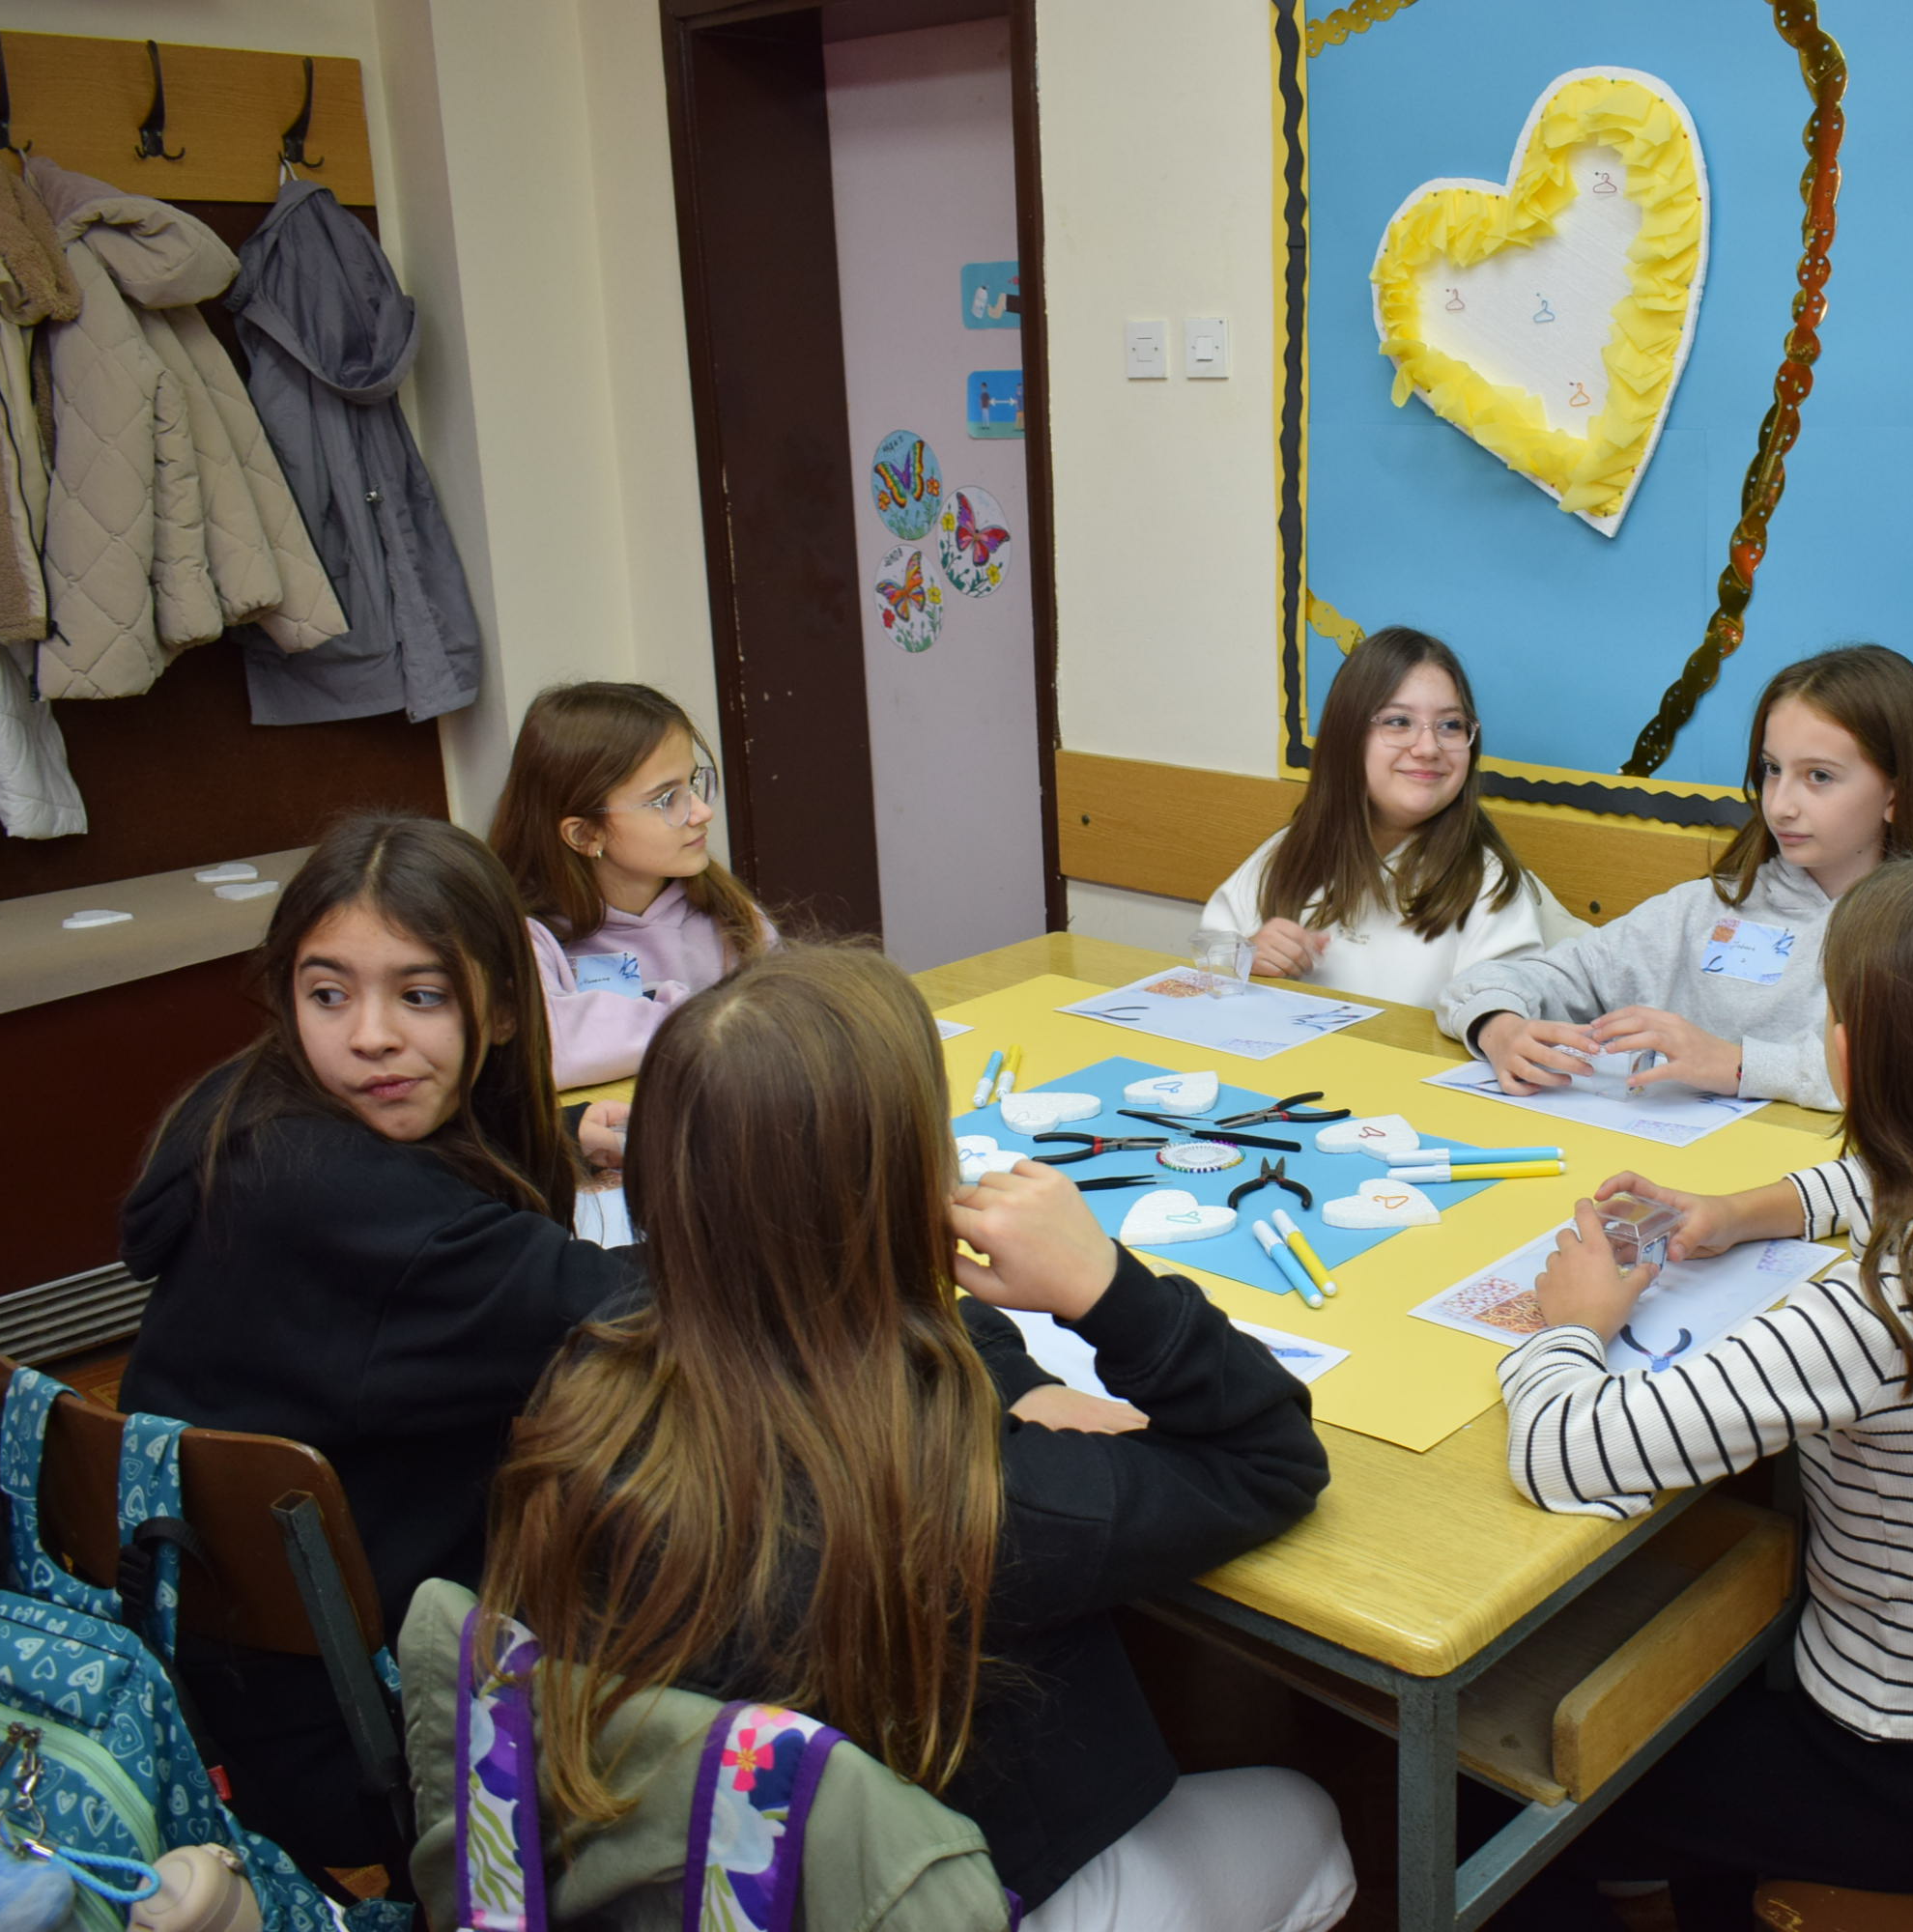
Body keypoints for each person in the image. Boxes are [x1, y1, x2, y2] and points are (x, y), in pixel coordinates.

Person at [477, 945, 1356, 1932]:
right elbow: (1269, 1458)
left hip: (692, 1871)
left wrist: (1018, 1380)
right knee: (1307, 1816)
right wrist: (1103, 1285)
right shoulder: (979, 1498)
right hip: (940, 1892)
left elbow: (881, 1309)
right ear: (907, 1183)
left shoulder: (595, 1360)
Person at [1492, 855, 1913, 1922]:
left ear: (1846, 1055)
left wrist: (1573, 1322)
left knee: (1499, 1813)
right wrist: (1737, 1211)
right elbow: (1883, 1175)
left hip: (1904, 1770)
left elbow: (1566, 1451)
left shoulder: (1880, 1316)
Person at [119, 813, 641, 1876]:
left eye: (420, 995)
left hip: (227, 1663)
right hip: (347, 1722)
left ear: (502, 1009)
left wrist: (560, 1133)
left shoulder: (246, 1112)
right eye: (329, 994)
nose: (369, 1037)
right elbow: (632, 1310)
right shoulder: (360, 1212)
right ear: (288, 996)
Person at [1438, 643, 1913, 1109]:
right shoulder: (1704, 910)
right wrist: (1498, 1027)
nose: (1780, 805)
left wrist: (1737, 1065)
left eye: (1819, 776)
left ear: (1896, 793)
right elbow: (1493, 983)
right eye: (1772, 769)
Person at [1201, 625, 1552, 1008]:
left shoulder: (1489, 884)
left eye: (1451, 725)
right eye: (1399, 722)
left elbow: (1502, 1016)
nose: (1428, 747)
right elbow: (1208, 966)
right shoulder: (1288, 851)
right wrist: (1246, 960)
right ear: (1347, 736)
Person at [489, 680, 776, 1086]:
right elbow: (548, 1049)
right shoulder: (529, 937)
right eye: (667, 799)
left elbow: (786, 1025)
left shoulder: (729, 915)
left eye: (694, 783)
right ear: (586, 835)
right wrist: (717, 1018)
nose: (701, 812)